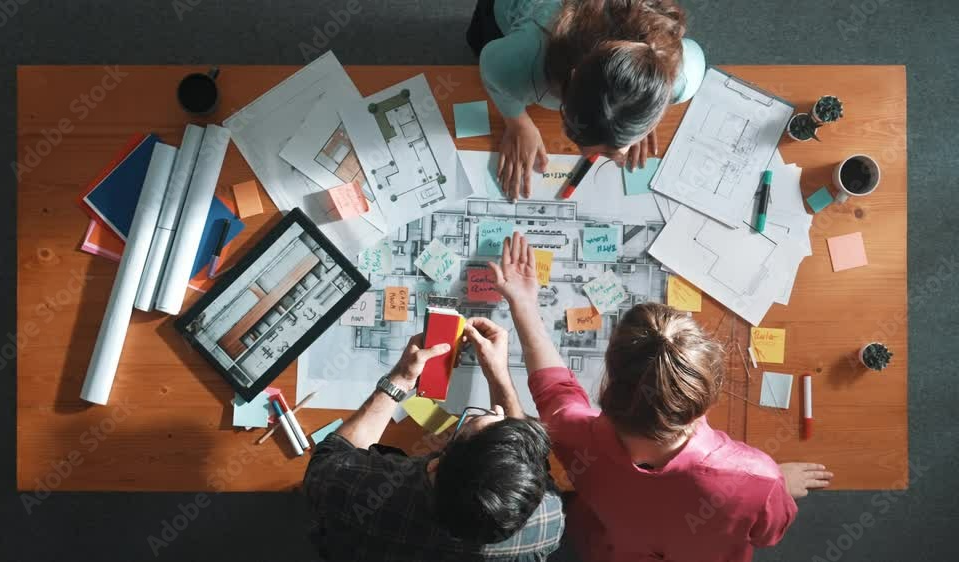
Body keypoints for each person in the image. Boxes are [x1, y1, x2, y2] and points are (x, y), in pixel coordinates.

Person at [486, 232, 834, 562]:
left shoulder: (575, 435)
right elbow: (768, 533)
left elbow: (554, 391)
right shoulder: (758, 480)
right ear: (706, 398)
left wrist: (523, 302)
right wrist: (778, 485)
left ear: (608, 385)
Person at [304, 329, 565, 561]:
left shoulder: (359, 493)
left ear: (435, 464)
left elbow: (330, 457)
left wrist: (401, 379)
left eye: (471, 421)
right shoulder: (547, 525)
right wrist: (499, 376)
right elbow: (531, 465)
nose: (498, 409)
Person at [467, 0, 707, 199]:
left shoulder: (683, 77)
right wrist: (518, 122)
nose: (584, 155)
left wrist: (639, 112)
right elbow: (491, 65)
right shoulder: (523, 61)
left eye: (612, 153)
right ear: (568, 81)